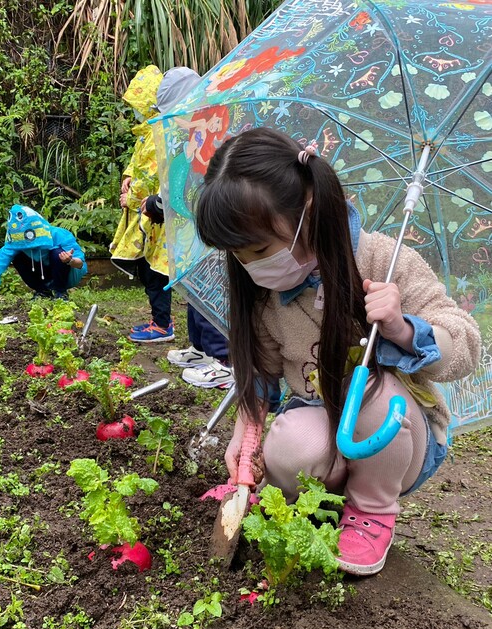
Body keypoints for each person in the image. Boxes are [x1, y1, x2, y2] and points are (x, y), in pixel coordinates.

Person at [194, 127, 481, 576]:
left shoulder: (383, 262)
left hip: (399, 435)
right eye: (238, 255)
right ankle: (327, 506)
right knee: (288, 443)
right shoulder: (266, 295)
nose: (250, 266)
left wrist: (402, 328)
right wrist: (246, 437)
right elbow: (266, 374)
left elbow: (464, 343)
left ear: (307, 211)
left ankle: (371, 512)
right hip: (326, 420)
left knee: (373, 394)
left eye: (259, 250)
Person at [131, 65, 234, 388]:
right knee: (194, 288)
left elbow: (201, 181)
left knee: (212, 288)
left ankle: (225, 361)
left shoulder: (215, 127)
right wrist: (159, 203)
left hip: (215, 225)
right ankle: (201, 349)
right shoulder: (193, 131)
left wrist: (156, 204)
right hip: (195, 229)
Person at [110, 65, 174, 343]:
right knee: (150, 267)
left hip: (154, 212)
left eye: (137, 105)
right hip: (147, 212)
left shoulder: (159, 131)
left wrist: (131, 196)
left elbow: (151, 174)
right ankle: (161, 320)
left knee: (155, 269)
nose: (134, 111)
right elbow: (138, 165)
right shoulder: (148, 132)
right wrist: (127, 176)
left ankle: (162, 326)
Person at [0, 204, 86, 300]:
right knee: (17, 257)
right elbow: (1, 259)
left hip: (67, 273)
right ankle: (42, 291)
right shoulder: (18, 241)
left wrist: (69, 260)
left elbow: (80, 263)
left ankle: (61, 293)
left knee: (57, 253)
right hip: (42, 274)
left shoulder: (59, 234)